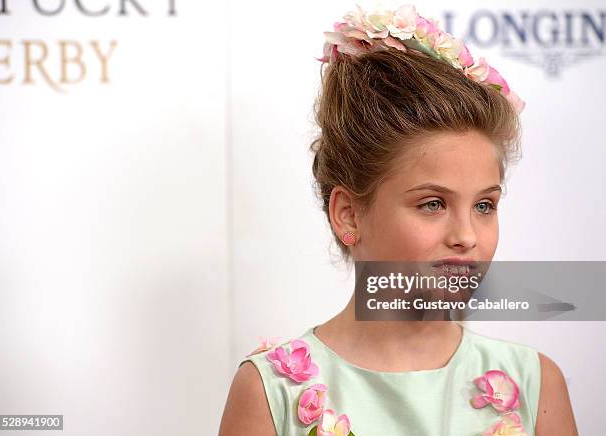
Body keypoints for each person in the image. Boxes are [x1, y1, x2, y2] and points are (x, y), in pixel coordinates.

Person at [219, 4, 577, 436]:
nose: (467, 237)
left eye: (485, 205)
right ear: (348, 214)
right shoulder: (271, 392)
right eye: (432, 204)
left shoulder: (535, 384)